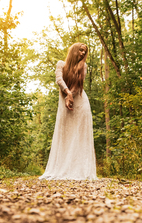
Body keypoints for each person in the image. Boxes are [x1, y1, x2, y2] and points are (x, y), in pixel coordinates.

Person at [39, 43, 97, 180]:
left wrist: (71, 95)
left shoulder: (84, 67)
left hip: (81, 104)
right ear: (74, 50)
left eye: (85, 51)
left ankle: (80, 169)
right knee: (65, 134)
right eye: (81, 50)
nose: (83, 53)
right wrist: (67, 94)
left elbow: (78, 85)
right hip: (65, 103)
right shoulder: (61, 65)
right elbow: (59, 79)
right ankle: (62, 168)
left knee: (79, 136)